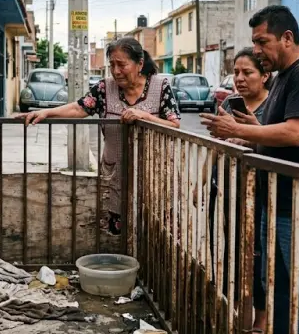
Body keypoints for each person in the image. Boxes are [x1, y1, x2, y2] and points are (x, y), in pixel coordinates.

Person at [200, 5, 299, 334]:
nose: (257, 50)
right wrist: (251, 138)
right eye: (254, 42)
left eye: (262, 41)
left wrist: (239, 130)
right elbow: (273, 136)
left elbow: (295, 134)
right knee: (276, 291)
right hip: (276, 203)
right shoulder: (283, 77)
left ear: (287, 38)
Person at [16, 37, 181, 235]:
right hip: (116, 175)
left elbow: (174, 124)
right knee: (118, 235)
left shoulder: (160, 86)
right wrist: (46, 113)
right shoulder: (105, 88)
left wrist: (144, 116)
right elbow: (79, 108)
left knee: (156, 233)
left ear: (139, 64)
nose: (116, 71)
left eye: (122, 64)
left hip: (154, 176)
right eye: (112, 64)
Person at [204, 48, 272, 334]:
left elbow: (273, 145)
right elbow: (216, 144)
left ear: (265, 75)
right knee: (233, 248)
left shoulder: (273, 107)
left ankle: (261, 319)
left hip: (260, 190)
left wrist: (248, 136)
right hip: (228, 185)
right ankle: (238, 309)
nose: (240, 79)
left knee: (258, 253)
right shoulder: (231, 103)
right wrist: (204, 180)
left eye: (248, 73)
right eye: (237, 72)